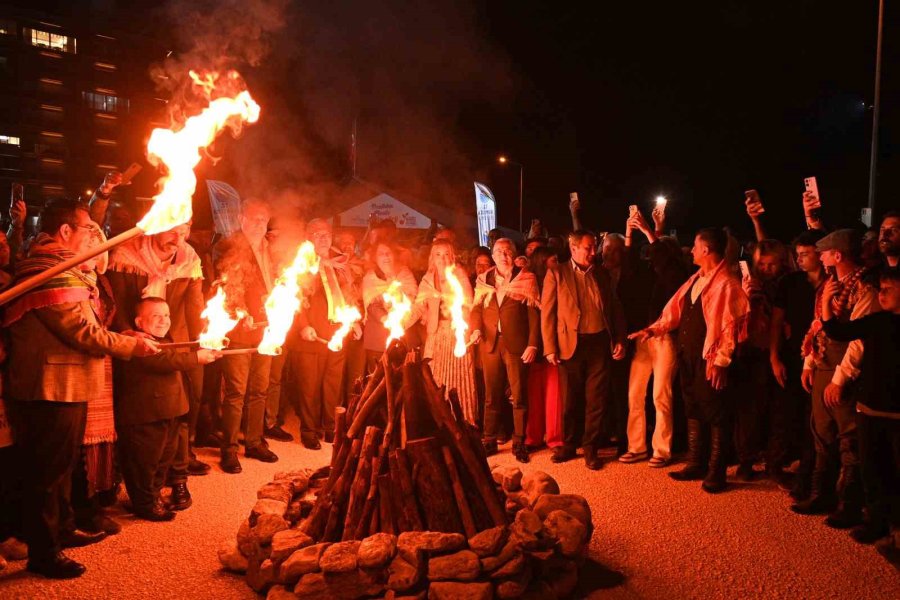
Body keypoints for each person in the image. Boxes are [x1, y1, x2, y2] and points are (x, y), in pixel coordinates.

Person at [3, 198, 158, 579]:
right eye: (89, 229)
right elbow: (81, 330)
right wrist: (130, 345)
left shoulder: (65, 268)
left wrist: (128, 336)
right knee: (46, 474)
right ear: (65, 232)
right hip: (49, 388)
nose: (96, 236)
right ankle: (45, 552)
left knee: (62, 468)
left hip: (67, 385)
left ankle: (63, 529)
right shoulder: (47, 270)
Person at [631, 228, 749, 493]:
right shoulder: (696, 279)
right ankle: (696, 463)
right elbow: (675, 311)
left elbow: (731, 326)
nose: (692, 250)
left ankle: (716, 472)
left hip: (709, 359)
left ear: (706, 250)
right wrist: (654, 329)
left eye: (695, 246)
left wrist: (721, 361)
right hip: (688, 356)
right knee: (693, 408)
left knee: (717, 413)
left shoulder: (726, 284)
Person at [107, 221, 209, 516]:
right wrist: (131, 335)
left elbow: (195, 307)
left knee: (181, 414)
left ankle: (177, 478)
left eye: (185, 231)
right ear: (155, 227)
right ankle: (137, 488)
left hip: (179, 343)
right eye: (172, 231)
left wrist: (204, 337)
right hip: (138, 342)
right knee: (145, 425)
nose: (179, 239)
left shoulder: (189, 259)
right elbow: (117, 305)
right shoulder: (127, 255)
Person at [793, 230, 877, 528]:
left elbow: (859, 339)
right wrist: (809, 363)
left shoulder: (864, 288)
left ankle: (849, 504)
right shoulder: (830, 286)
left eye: (825, 252)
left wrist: (841, 379)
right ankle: (820, 494)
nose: (821, 256)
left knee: (847, 438)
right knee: (821, 433)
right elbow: (817, 327)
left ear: (837, 255)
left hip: (844, 371)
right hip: (823, 366)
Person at [114, 298, 220, 521]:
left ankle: (153, 497)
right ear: (139, 321)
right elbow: (163, 360)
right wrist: (196, 357)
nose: (164, 320)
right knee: (144, 462)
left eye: (167, 315)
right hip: (145, 417)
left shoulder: (165, 339)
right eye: (156, 316)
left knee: (163, 460)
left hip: (170, 411)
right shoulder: (136, 342)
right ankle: (144, 504)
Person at [818, 267, 900, 555]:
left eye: (888, 289)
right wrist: (827, 303)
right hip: (869, 409)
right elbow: (839, 332)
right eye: (880, 289)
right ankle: (877, 523)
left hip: (895, 414)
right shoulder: (877, 321)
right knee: (872, 469)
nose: (881, 294)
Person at [541, 230, 626, 470]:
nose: (593, 252)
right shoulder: (556, 273)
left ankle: (591, 448)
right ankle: (569, 444)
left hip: (599, 342)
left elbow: (615, 309)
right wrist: (549, 348)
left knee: (596, 399)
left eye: (594, 247)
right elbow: (547, 313)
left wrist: (620, 339)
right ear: (574, 248)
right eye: (588, 247)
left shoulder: (601, 273)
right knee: (570, 399)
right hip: (571, 344)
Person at [213, 198, 279, 473]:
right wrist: (241, 311)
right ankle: (229, 449)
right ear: (241, 219)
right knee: (236, 390)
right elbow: (222, 286)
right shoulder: (228, 246)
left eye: (263, 219)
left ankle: (254, 442)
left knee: (260, 388)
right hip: (240, 328)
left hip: (267, 327)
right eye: (253, 218)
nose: (258, 223)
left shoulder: (272, 250)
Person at [619, 210, 689, 467]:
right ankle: (636, 446)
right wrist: (629, 233)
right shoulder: (650, 273)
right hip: (643, 339)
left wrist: (651, 231)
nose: (651, 255)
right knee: (635, 393)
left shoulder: (677, 275)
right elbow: (629, 269)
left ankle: (662, 449)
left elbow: (666, 265)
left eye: (657, 251)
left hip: (665, 339)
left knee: (661, 395)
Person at [285, 218, 359, 449]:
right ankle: (309, 430)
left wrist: (354, 321)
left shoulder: (339, 263)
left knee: (332, 384)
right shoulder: (302, 265)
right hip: (312, 334)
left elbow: (348, 294)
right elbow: (293, 297)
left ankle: (329, 427)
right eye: (317, 234)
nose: (323, 237)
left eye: (326, 233)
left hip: (337, 331)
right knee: (309, 386)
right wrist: (303, 325)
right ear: (309, 239)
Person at [470, 238, 541, 463]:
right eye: (499, 251)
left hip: (516, 345)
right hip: (490, 343)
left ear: (514, 253)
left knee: (519, 395)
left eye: (508, 250)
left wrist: (532, 344)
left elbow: (534, 315)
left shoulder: (526, 278)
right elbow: (476, 310)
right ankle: (489, 439)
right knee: (491, 395)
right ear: (493, 256)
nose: (503, 255)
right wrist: (475, 330)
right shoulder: (484, 280)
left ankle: (519, 442)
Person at [770, 230, 826, 499]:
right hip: (792, 356)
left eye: (805, 254)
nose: (800, 259)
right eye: (798, 254)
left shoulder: (832, 281)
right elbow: (776, 322)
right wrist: (774, 356)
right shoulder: (789, 282)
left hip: (824, 359)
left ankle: (808, 473)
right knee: (787, 413)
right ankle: (777, 466)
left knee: (813, 419)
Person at [733, 239, 793, 482]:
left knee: (779, 410)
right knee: (750, 411)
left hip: (779, 350)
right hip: (752, 351)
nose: (767, 269)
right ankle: (746, 461)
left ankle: (775, 462)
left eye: (772, 264)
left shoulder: (787, 286)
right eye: (763, 264)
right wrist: (748, 299)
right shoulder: (746, 283)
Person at [415, 239, 479, 425]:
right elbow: (418, 306)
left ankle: (464, 422)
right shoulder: (427, 279)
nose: (442, 259)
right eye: (438, 254)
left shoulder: (459, 275)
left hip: (456, 334)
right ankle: (439, 423)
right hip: (435, 335)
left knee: (458, 381)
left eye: (446, 254)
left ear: (452, 256)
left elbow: (469, 304)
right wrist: (400, 323)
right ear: (432, 258)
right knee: (435, 378)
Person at [361, 242, 418, 371]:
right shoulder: (370, 278)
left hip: (405, 337)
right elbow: (372, 305)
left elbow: (413, 299)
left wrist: (400, 300)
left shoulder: (405, 274)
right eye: (381, 254)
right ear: (375, 258)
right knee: (378, 383)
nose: (386, 256)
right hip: (378, 342)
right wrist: (387, 319)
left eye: (389, 253)